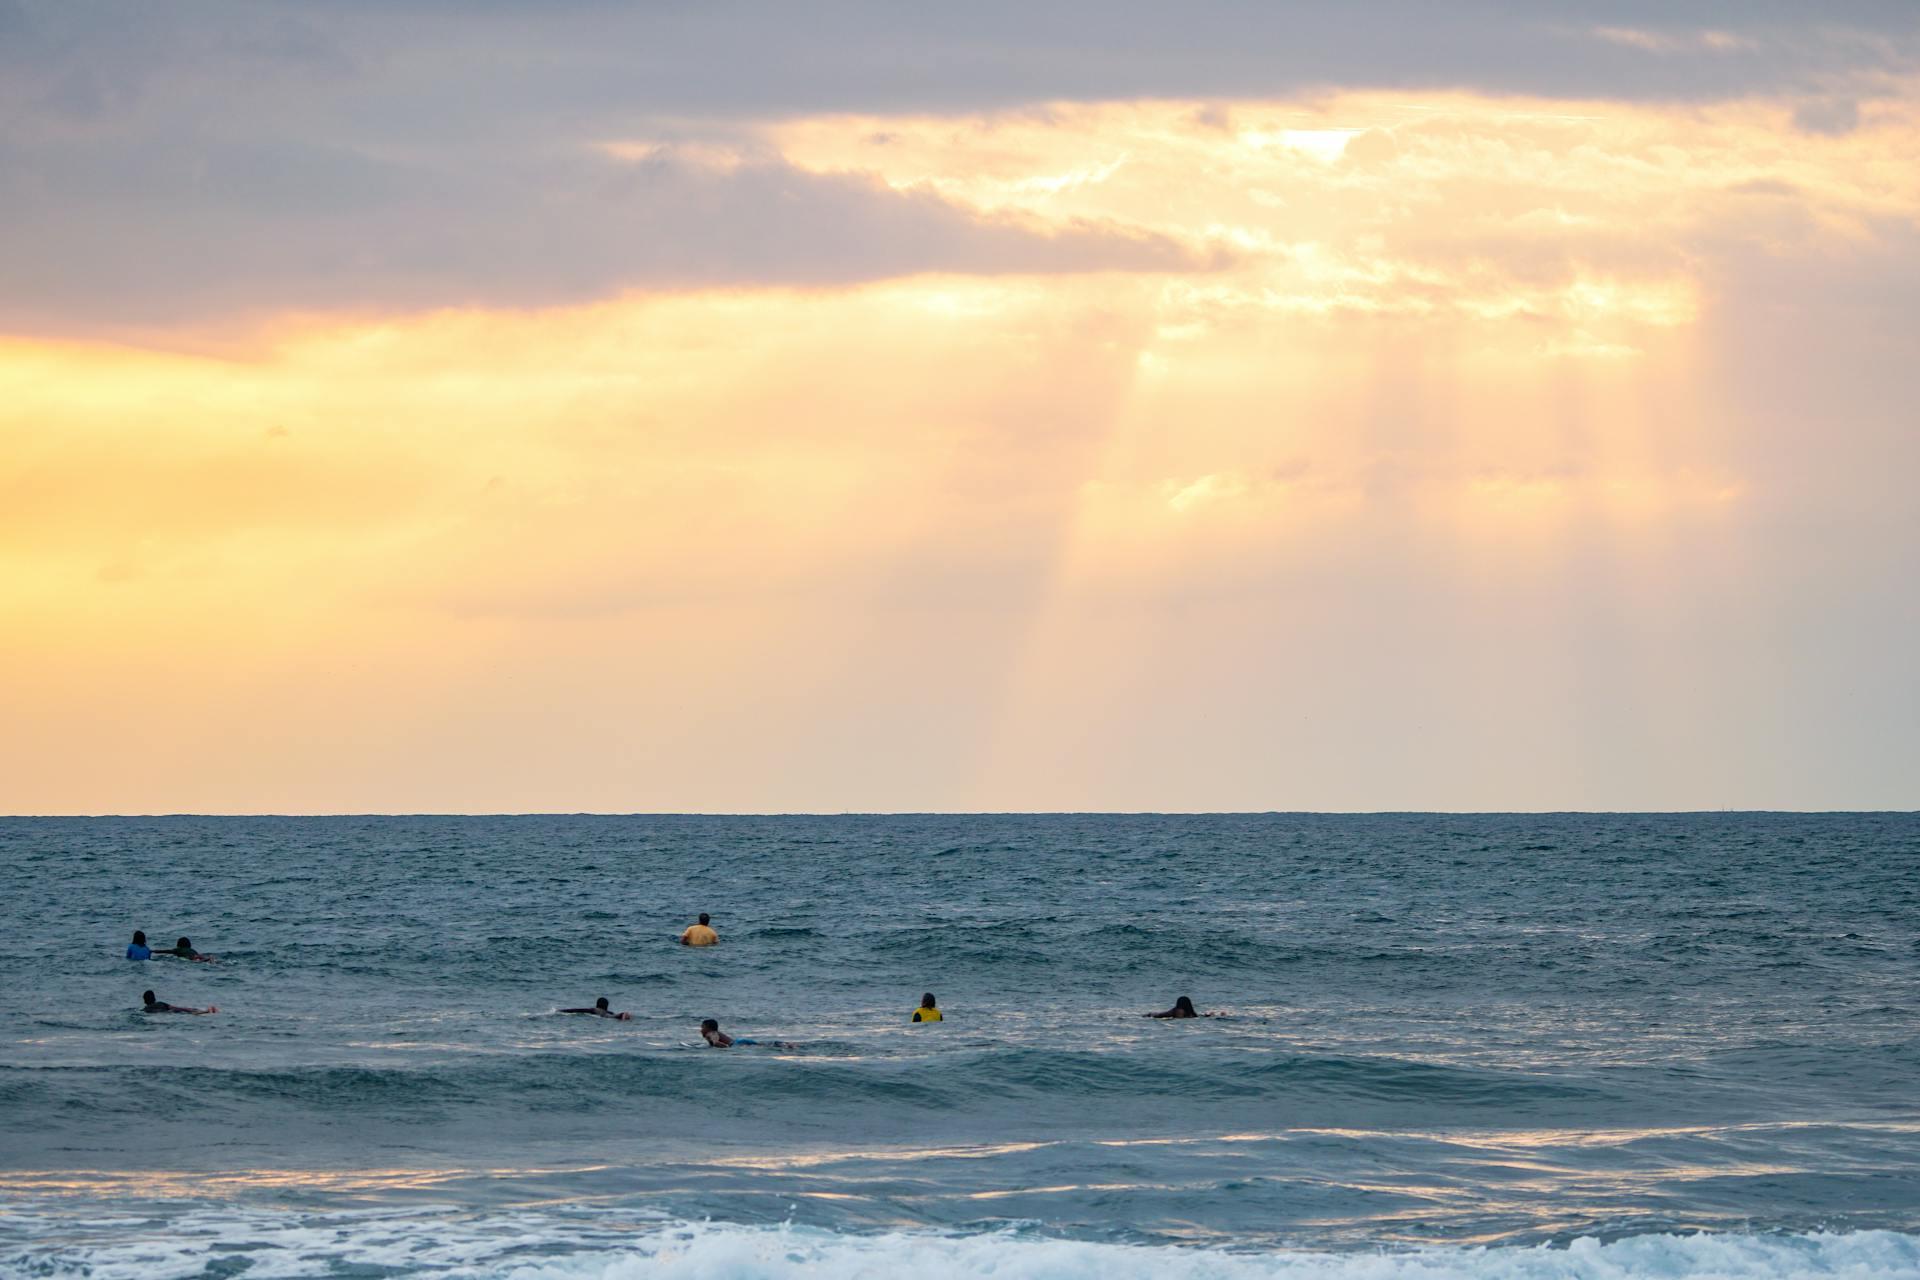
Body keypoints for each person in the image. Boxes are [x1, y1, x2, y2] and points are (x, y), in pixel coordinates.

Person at [142, 990, 215, 1015]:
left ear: (145, 1000)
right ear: (154, 998)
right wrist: (188, 1009)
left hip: (166, 1014)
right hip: (171, 1011)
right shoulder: (160, 1003)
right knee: (186, 1012)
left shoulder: (146, 1009)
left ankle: (206, 1012)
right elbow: (175, 1007)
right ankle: (205, 1011)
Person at [560, 997, 632, 1021]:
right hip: (609, 1016)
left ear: (597, 1004)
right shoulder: (610, 1012)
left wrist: (563, 1011)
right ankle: (622, 1015)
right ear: (606, 1006)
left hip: (602, 1016)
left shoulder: (594, 1009)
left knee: (610, 1017)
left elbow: (579, 1010)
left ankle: (621, 1015)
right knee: (613, 1017)